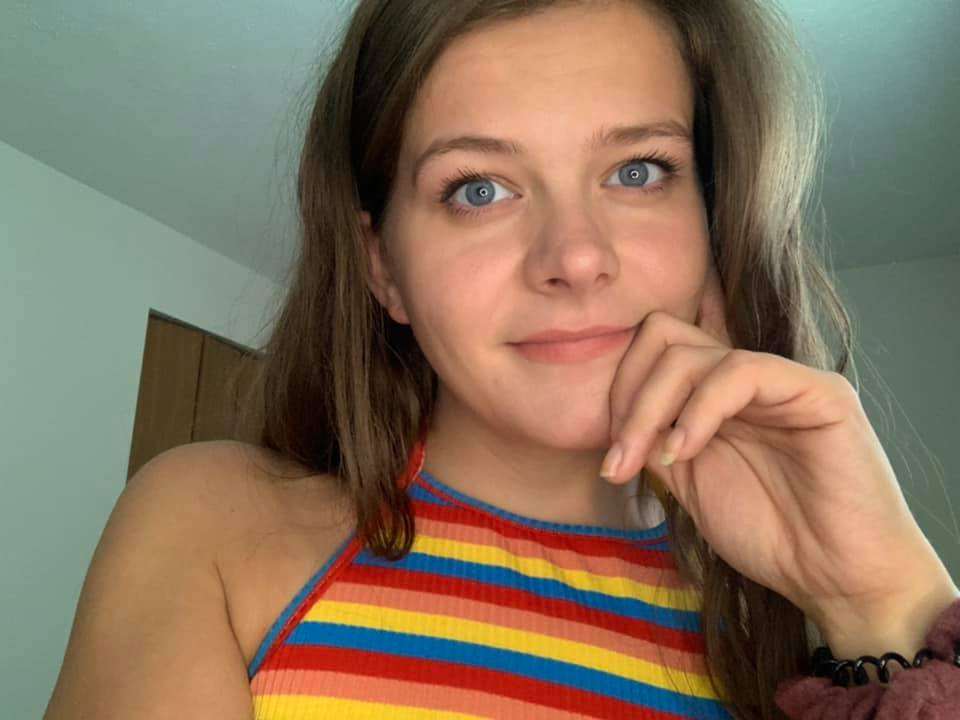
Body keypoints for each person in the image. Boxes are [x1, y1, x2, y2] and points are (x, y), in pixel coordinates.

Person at [45, 1, 960, 718]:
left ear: (713, 221)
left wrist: (880, 601)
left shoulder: (804, 651)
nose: (576, 257)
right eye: (478, 189)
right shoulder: (213, 529)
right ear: (383, 267)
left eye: (638, 171)